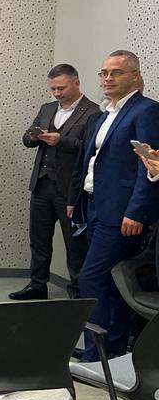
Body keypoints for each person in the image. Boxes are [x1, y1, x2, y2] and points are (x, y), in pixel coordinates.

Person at [69, 50, 159, 361]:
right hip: (95, 205)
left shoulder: (146, 111)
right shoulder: (105, 114)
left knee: (91, 277)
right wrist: (77, 199)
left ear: (135, 76)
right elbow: (92, 161)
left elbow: (148, 166)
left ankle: (98, 352)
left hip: (121, 212)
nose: (108, 78)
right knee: (109, 280)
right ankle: (111, 349)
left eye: (116, 73)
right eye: (104, 73)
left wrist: (136, 210)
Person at [10, 64, 98, 300]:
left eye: (62, 88)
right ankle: (37, 284)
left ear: (76, 82)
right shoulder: (47, 108)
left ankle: (78, 292)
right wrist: (33, 136)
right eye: (53, 89)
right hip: (41, 184)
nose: (57, 93)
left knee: (75, 245)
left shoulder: (93, 112)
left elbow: (90, 149)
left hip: (70, 189)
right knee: (38, 240)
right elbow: (27, 137)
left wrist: (62, 141)